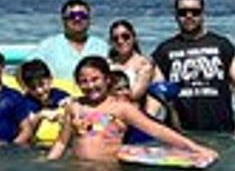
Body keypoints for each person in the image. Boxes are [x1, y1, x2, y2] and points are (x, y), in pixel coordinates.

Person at [48, 57, 218, 164]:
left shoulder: (121, 108)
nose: (90, 85)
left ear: (107, 80)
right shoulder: (74, 107)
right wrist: (48, 163)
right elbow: (62, 142)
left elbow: (157, 130)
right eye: (83, 81)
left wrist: (196, 148)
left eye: (95, 79)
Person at [149, 0, 235, 137]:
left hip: (221, 130)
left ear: (203, 14)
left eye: (195, 12)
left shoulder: (222, 44)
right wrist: (149, 126)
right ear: (176, 16)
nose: (189, 16)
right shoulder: (165, 50)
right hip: (181, 133)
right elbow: (157, 92)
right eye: (183, 12)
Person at [34, 0, 108, 81]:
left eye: (82, 15)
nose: (77, 19)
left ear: (89, 19)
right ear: (63, 20)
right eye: (72, 16)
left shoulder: (102, 46)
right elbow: (23, 71)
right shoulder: (47, 46)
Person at [13, 58, 68, 147]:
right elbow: (26, 131)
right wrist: (40, 115)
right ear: (26, 88)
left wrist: (63, 114)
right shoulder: (27, 102)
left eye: (42, 84)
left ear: (50, 80)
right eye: (33, 87)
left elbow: (72, 104)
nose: (39, 91)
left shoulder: (57, 94)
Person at [104, 17, 158, 104]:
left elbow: (135, 95)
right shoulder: (107, 63)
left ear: (134, 38)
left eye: (125, 36)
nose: (120, 41)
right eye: (115, 38)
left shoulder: (144, 65)